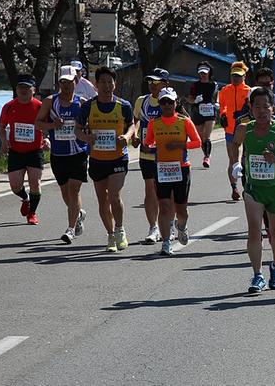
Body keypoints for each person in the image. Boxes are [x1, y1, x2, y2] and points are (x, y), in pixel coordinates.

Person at [232, 87, 275, 292]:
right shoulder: (245, 129)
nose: (262, 111)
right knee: (254, 230)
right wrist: (236, 163)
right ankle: (257, 275)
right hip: (253, 188)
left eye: (266, 107)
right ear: (251, 108)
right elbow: (235, 145)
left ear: (273, 108)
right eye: (257, 107)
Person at [76, 67, 135, 252]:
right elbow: (77, 129)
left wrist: (127, 137)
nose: (107, 85)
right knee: (102, 199)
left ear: (114, 84)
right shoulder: (88, 106)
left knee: (114, 196)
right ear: (96, 84)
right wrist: (86, 138)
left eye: (110, 82)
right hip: (97, 159)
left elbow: (132, 124)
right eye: (103, 82)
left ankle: (119, 229)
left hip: (118, 158)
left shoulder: (123, 105)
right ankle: (110, 235)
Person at [143, 87, 202, 256]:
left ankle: (181, 226)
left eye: (170, 101)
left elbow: (197, 142)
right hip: (162, 168)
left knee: (181, 209)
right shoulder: (154, 123)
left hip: (181, 168)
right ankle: (166, 242)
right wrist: (148, 147)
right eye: (163, 102)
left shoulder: (184, 121)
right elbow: (149, 143)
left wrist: (179, 145)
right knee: (164, 205)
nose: (167, 104)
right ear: (160, 104)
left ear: (176, 103)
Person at [35, 66, 88, 242]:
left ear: (76, 82)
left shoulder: (81, 103)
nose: (66, 86)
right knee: (66, 193)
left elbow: (90, 125)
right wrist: (52, 126)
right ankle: (78, 213)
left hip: (78, 153)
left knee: (74, 190)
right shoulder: (50, 101)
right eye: (63, 82)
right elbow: (38, 123)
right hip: (58, 154)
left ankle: (70, 229)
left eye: (69, 82)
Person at [0, 74, 46, 226]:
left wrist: (48, 139)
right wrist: (4, 140)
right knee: (15, 186)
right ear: (16, 90)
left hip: (34, 151)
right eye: (20, 88)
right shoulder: (9, 106)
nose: (23, 91)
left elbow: (50, 126)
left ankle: (32, 213)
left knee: (35, 183)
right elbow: (1, 127)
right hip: (16, 151)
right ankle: (25, 198)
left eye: (27, 88)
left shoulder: (40, 106)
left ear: (34, 90)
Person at [133, 68, 168, 244]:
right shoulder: (142, 101)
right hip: (146, 155)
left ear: (165, 84)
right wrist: (135, 135)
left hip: (167, 157)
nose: (152, 86)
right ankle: (153, 227)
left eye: (156, 82)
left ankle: (168, 224)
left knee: (166, 194)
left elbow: (183, 122)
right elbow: (136, 121)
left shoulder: (170, 102)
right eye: (150, 82)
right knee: (150, 190)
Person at [219, 61, 252, 201]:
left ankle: (248, 187)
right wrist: (223, 116)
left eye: (239, 76)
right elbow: (222, 106)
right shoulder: (225, 90)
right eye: (233, 76)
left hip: (247, 128)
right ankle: (234, 188)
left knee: (247, 159)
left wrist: (243, 113)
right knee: (233, 159)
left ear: (244, 76)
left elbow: (252, 108)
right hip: (230, 129)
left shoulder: (249, 91)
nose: (236, 78)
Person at [187, 62, 218, 168]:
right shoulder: (195, 85)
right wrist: (195, 100)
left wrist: (217, 104)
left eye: (204, 73)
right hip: (198, 112)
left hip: (210, 112)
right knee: (201, 138)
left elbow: (217, 97)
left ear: (209, 73)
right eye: (201, 73)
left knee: (207, 136)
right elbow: (190, 99)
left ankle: (207, 157)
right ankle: (205, 153)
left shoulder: (213, 84)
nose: (203, 75)